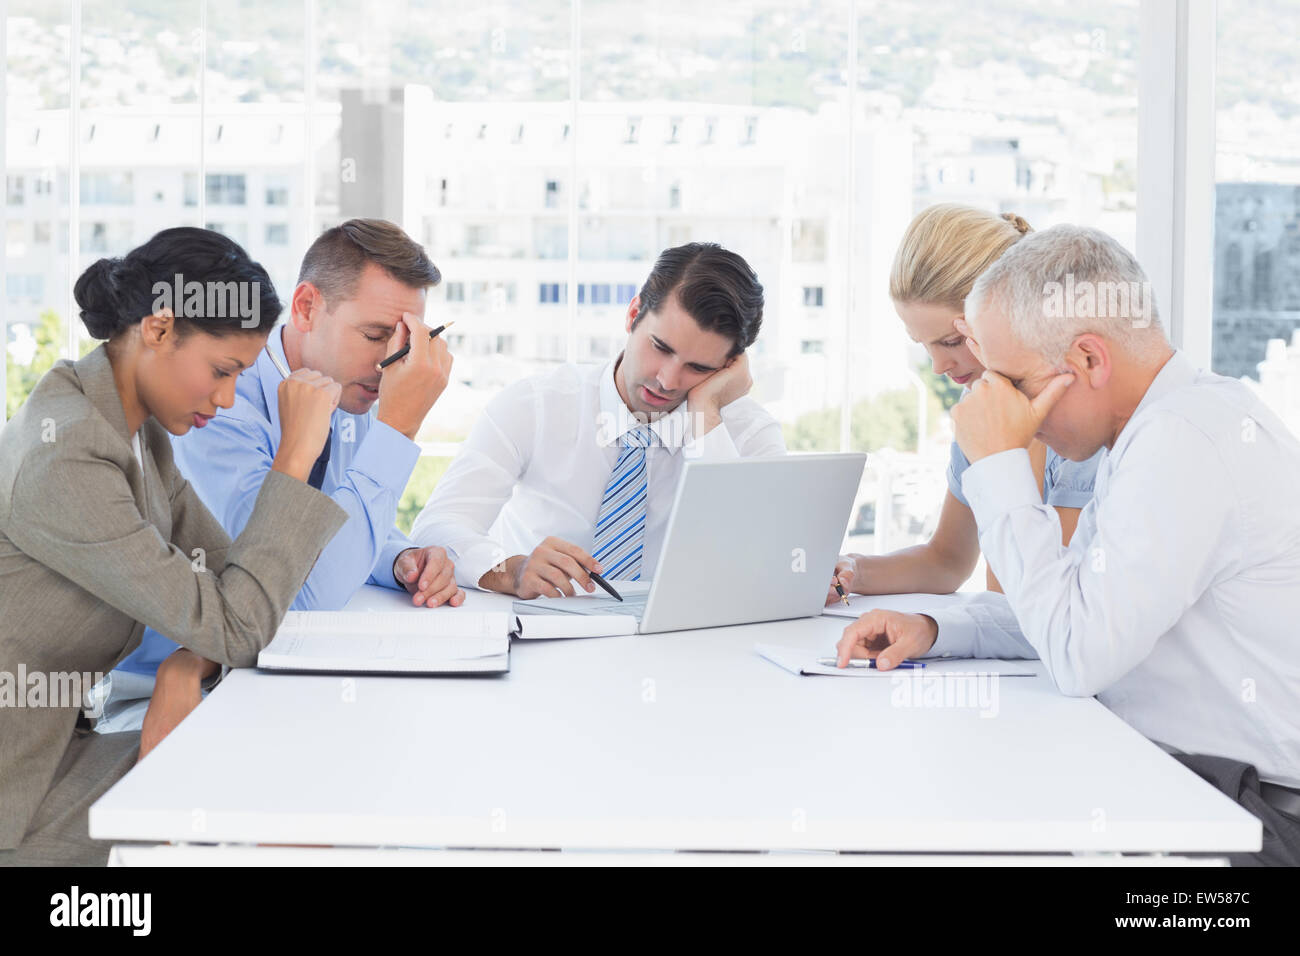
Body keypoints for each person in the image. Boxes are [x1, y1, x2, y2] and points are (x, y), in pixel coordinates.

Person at [835, 224, 1300, 865]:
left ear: (1087, 360)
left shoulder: (1182, 442)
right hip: (1208, 795)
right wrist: (935, 629)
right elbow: (1077, 606)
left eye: (1015, 386)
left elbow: (1077, 655)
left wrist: (999, 462)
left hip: (1255, 828)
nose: (1009, 412)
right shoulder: (1159, 429)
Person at [0, 228, 349, 865]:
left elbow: (238, 590)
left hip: (56, 753)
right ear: (158, 331)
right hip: (20, 799)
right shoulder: (71, 453)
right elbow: (239, 622)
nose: (225, 398)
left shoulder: (137, 435)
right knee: (275, 799)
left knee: (297, 769)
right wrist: (295, 456)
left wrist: (187, 665)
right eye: (222, 372)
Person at [99, 219, 461, 737]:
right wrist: (398, 429)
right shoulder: (214, 403)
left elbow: (330, 514)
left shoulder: (346, 386)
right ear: (307, 307)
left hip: (262, 677)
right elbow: (298, 593)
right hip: (167, 701)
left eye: (403, 342)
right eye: (377, 336)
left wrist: (398, 556)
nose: (389, 364)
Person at [409, 241, 786, 599]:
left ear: (728, 367)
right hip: (541, 638)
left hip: (681, 649)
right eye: (661, 348)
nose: (667, 380)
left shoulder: (747, 433)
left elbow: (764, 565)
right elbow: (437, 528)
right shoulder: (535, 405)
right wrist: (512, 570)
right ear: (633, 313)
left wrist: (707, 411)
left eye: (699, 368)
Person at [827, 204, 1102, 604]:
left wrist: (1007, 444)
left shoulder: (1081, 427)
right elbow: (947, 559)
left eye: (952, 342)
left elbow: (1021, 600)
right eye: (924, 346)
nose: (939, 366)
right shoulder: (980, 403)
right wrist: (856, 568)